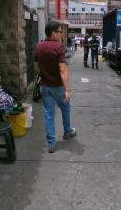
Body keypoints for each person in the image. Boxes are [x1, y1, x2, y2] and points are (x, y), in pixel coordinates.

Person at [34, 21, 77, 153]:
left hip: (45, 86)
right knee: (65, 108)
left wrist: (44, 74)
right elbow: (63, 70)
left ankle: (51, 143)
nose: (61, 34)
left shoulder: (39, 47)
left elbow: (36, 67)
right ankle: (68, 131)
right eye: (59, 31)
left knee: (48, 115)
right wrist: (67, 90)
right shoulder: (59, 48)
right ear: (53, 33)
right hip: (58, 87)